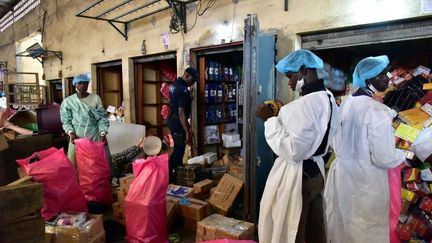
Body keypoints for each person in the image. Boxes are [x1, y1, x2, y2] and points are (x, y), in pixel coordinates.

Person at [256, 49, 339, 243]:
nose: (289, 82)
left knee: (293, 229)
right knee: (315, 225)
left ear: (303, 71)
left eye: (290, 76)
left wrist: (269, 120)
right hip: (317, 172)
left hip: (300, 175)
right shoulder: (328, 98)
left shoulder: (300, 106)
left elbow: (293, 150)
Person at [324, 55, 405, 243]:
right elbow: (383, 157)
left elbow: (334, 141)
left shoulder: (345, 104)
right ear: (369, 80)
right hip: (367, 183)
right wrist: (402, 155)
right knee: (367, 230)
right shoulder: (378, 111)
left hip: (343, 178)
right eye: (380, 75)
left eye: (386, 73)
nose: (387, 77)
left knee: (343, 226)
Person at [60, 73, 110, 167]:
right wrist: (71, 133)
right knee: (73, 162)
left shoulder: (95, 98)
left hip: (94, 134)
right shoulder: (68, 101)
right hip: (77, 135)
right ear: (75, 84)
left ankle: (97, 180)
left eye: (85, 83)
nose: (83, 85)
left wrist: (103, 133)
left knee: (98, 161)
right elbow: (66, 120)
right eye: (80, 83)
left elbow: (102, 117)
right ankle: (76, 181)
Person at [167, 67, 197, 182]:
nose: (193, 83)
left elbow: (176, 101)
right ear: (187, 76)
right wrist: (187, 131)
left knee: (178, 150)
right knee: (179, 151)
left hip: (172, 121)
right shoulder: (183, 89)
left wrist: (189, 98)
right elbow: (181, 113)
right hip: (178, 123)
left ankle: (174, 176)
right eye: (193, 81)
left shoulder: (174, 85)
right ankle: (170, 177)